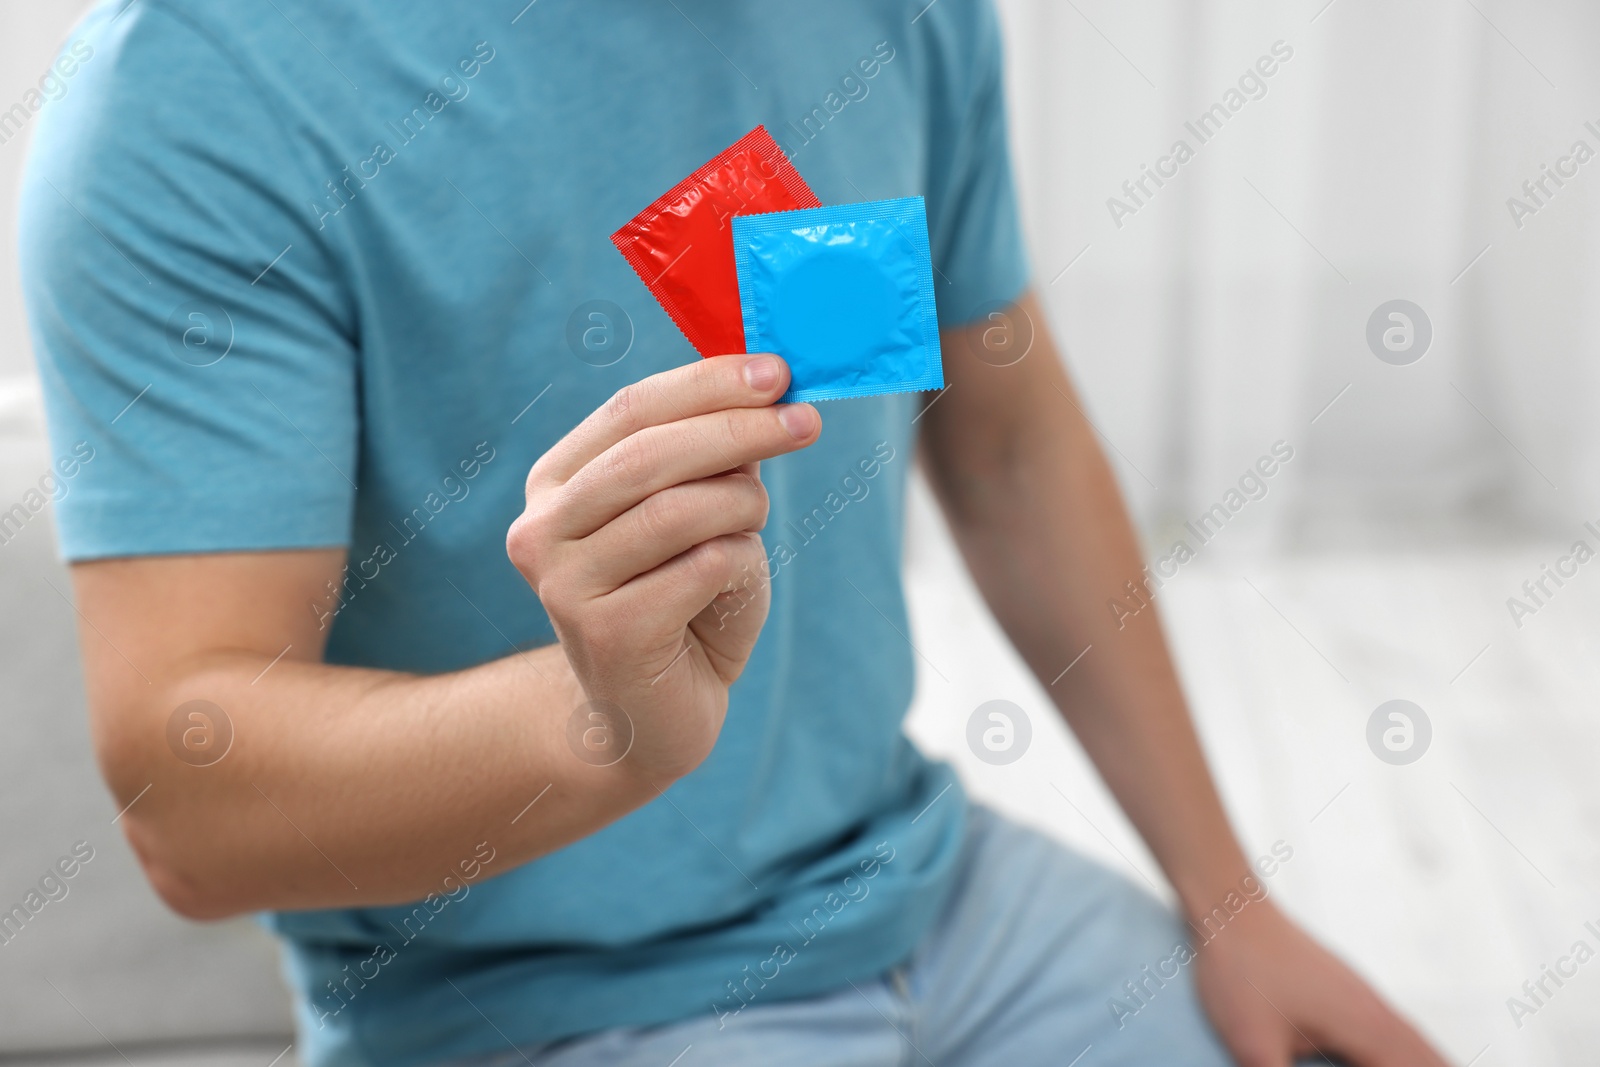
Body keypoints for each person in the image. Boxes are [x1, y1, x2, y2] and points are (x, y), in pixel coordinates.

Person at [20, 1, 1449, 1065]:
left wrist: (1228, 898)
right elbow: (188, 814)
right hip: (542, 1013)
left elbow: (1008, 452)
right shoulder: (197, 91)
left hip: (929, 895)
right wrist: (603, 725)